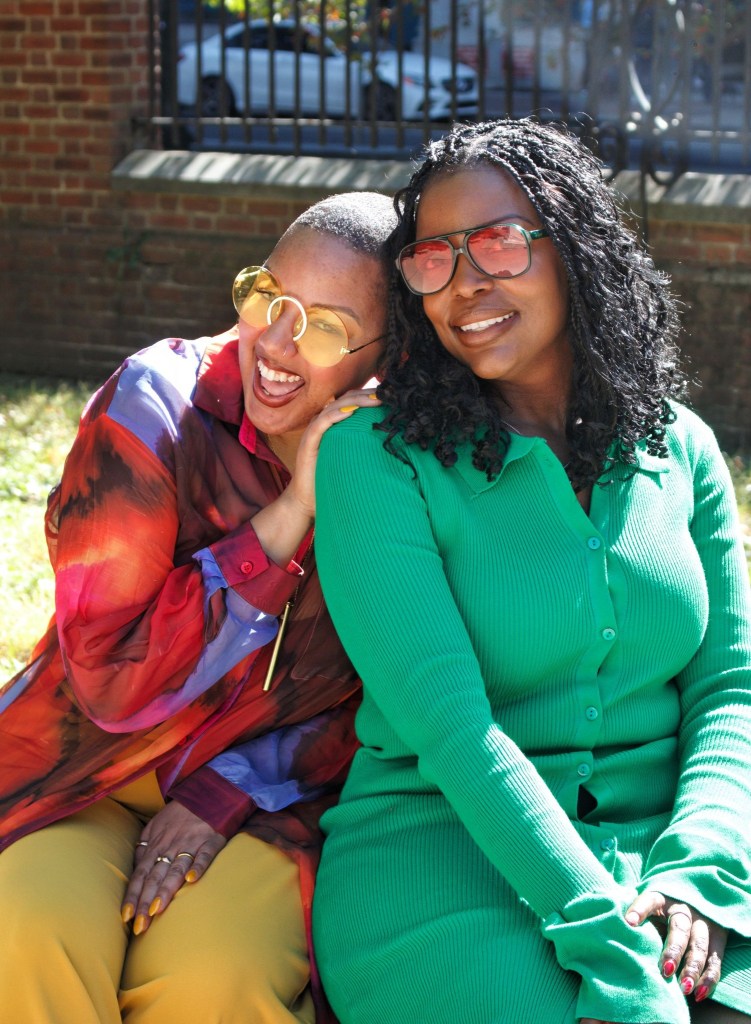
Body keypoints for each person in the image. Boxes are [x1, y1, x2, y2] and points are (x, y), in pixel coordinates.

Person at [311, 120, 751, 1024]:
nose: (464, 282)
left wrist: (701, 867)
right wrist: (608, 940)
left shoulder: (681, 447)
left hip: (665, 853)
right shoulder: (376, 463)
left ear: (575, 248)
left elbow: (731, 687)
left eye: (499, 242)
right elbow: (452, 730)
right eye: (432, 257)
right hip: (447, 866)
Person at [0, 189, 396, 1023]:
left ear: (386, 356)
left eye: (325, 327)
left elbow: (387, 693)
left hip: (269, 796)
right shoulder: (155, 408)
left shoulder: (402, 465)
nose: (276, 343)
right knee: (27, 929)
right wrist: (288, 517)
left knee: (213, 981)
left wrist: (227, 790)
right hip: (87, 771)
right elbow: (111, 679)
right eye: (268, 297)